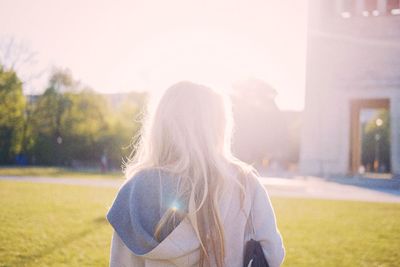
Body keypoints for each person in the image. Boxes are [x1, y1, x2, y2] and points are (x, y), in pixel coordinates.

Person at [106, 81, 285, 267]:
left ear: (161, 125)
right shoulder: (244, 183)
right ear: (219, 126)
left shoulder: (136, 189)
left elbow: (121, 263)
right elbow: (272, 255)